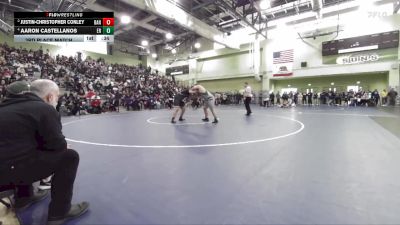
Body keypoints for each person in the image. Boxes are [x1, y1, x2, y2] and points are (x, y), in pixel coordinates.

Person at [0, 80, 89, 225]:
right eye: (57, 97)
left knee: (21, 151)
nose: (57, 101)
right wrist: (63, 146)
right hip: (11, 175)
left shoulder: (5, 109)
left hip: (4, 176)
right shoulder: (44, 109)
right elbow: (57, 146)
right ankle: (59, 213)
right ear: (49, 97)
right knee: (69, 156)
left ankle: (23, 198)